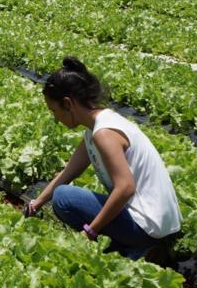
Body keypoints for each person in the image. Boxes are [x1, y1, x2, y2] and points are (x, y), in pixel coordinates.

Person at [26, 56, 182, 260]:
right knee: (62, 192)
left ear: (68, 103)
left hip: (147, 226)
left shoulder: (104, 133)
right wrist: (37, 203)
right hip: (154, 222)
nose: (56, 119)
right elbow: (69, 171)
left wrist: (91, 231)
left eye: (55, 111)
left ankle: (132, 248)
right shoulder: (97, 128)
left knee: (63, 198)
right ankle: (125, 246)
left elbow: (125, 188)